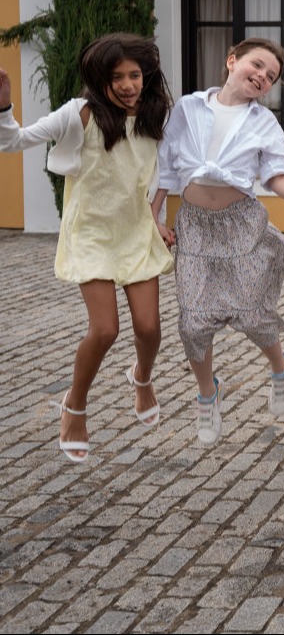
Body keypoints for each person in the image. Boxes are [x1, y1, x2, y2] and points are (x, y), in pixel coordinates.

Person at [0, 35, 174, 462]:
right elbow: (13, 142)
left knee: (149, 329)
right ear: (99, 79)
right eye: (117, 77)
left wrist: (157, 216)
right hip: (92, 234)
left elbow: (162, 172)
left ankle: (142, 378)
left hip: (136, 232)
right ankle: (74, 405)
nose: (129, 84)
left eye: (135, 75)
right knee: (105, 329)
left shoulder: (155, 115)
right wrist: (4, 106)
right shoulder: (79, 115)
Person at [152, 38, 284, 446]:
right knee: (193, 322)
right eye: (258, 66)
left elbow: (276, 175)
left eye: (271, 77)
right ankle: (207, 396)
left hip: (242, 226)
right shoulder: (189, 108)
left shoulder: (263, 123)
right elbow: (166, 166)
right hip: (195, 228)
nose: (263, 77)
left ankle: (280, 367)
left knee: (253, 316)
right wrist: (155, 218)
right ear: (232, 61)